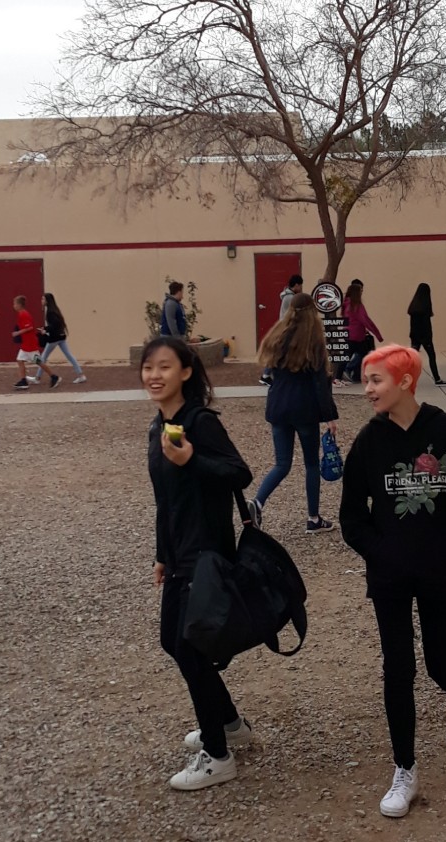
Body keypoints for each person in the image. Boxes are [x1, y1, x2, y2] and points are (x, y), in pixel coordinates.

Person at [339, 344, 446, 818]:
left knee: (439, 662)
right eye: (366, 380)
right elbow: (351, 517)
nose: (367, 390)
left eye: (375, 380)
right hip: (390, 577)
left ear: (405, 382)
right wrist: (381, 552)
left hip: (441, 573)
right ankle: (404, 768)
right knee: (398, 667)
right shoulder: (369, 442)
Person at [141, 335, 255, 791]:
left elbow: (239, 473)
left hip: (206, 553)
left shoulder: (200, 423)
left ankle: (218, 755)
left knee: (189, 648)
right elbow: (164, 500)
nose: (154, 375)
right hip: (179, 554)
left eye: (164, 367)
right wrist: (161, 554)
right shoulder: (158, 426)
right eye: (148, 367)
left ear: (186, 372)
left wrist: (192, 459)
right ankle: (229, 723)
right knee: (173, 642)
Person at [249, 293, 338, 533]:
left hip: (278, 407)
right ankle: (313, 518)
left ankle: (257, 502)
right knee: (311, 464)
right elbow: (320, 385)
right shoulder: (314, 341)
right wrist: (330, 416)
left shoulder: (277, 336)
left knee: (282, 464)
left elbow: (269, 374)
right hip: (304, 410)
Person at [28, 293, 86, 385]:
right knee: (69, 356)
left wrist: (45, 330)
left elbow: (54, 325)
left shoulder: (50, 312)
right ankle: (81, 375)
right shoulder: (55, 310)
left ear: (47, 301)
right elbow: (57, 324)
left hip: (54, 339)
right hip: (61, 337)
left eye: (43, 299)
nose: (41, 301)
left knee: (42, 358)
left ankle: (37, 378)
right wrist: (46, 328)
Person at [259, 274, 304, 386]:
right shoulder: (290, 298)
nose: (301, 288)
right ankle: (267, 375)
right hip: (287, 328)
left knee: (280, 352)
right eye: (300, 286)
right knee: (280, 353)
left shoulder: (287, 296)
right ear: (296, 285)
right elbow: (294, 313)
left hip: (285, 327)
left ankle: (266, 375)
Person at [336, 281, 383, 384]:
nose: (362, 292)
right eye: (360, 291)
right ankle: (348, 372)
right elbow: (366, 320)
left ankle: (343, 376)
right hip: (356, 336)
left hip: (348, 334)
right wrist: (377, 334)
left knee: (348, 356)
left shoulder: (346, 304)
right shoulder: (357, 306)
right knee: (365, 355)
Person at [11, 295, 61, 390]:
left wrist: (18, 333)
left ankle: (54, 376)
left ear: (19, 305)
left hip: (30, 345)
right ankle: (23, 381)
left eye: (15, 304)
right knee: (20, 360)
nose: (14, 306)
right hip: (26, 344)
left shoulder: (23, 314)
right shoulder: (22, 314)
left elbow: (29, 327)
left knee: (38, 362)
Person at [407, 282, 446, 386]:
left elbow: (412, 325)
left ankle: (405, 378)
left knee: (412, 359)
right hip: (425, 337)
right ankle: (437, 379)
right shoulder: (424, 307)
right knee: (431, 356)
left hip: (415, 336)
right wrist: (428, 338)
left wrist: (413, 336)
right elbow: (426, 325)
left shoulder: (413, 308)